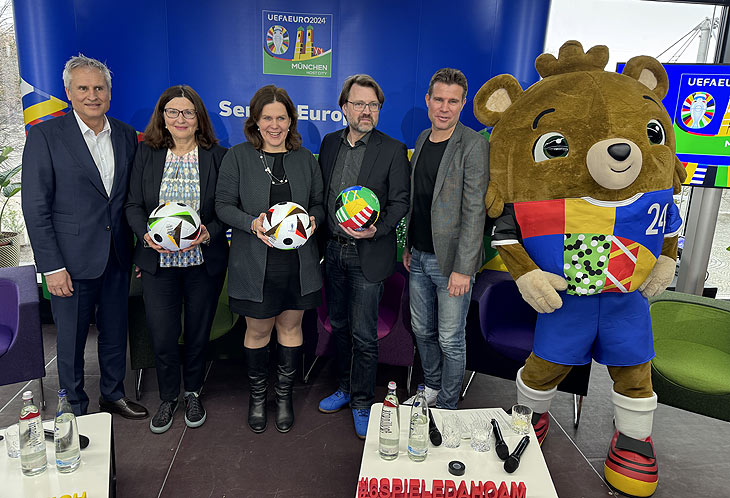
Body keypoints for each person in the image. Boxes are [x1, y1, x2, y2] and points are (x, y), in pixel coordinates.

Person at [21, 55, 147, 418]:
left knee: (113, 332)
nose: (92, 95)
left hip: (117, 256)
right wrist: (52, 266)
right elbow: (36, 207)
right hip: (69, 262)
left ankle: (112, 394)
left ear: (109, 92)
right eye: (83, 88)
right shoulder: (45, 136)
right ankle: (73, 407)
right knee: (72, 339)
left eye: (99, 88)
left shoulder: (124, 134)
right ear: (68, 92)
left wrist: (137, 253)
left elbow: (129, 201)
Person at [216, 85, 323, 434]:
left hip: (298, 265)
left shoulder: (306, 159)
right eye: (267, 118)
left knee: (290, 328)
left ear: (291, 120)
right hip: (254, 263)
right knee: (258, 330)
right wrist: (251, 223)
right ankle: (258, 397)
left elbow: (320, 203)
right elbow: (222, 206)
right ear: (256, 121)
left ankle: (285, 396)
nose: (274, 125)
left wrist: (313, 220)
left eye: (281, 117)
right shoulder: (238, 156)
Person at [125, 85, 228, 433]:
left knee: (198, 332)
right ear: (162, 117)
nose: (180, 119)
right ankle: (169, 397)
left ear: (199, 118)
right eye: (173, 112)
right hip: (158, 265)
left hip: (203, 263)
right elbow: (132, 205)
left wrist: (208, 232)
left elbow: (227, 209)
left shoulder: (218, 155)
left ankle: (193, 391)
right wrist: (147, 235)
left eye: (188, 112)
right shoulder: (146, 154)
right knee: (163, 334)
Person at [317, 74, 410, 438]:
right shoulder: (328, 144)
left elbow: (401, 200)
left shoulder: (392, 148)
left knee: (364, 334)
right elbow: (322, 196)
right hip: (333, 253)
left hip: (368, 255)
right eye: (359, 104)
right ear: (344, 108)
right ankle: (342, 387)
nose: (366, 111)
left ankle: (361, 401)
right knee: (338, 326)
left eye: (373, 105)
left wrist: (378, 228)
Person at [402, 68, 489, 410]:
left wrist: (464, 269)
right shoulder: (423, 138)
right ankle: (432, 389)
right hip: (420, 256)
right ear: (428, 100)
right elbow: (418, 198)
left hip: (452, 262)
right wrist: (409, 245)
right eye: (438, 99)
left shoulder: (473, 145)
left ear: (463, 104)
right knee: (422, 331)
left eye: (453, 101)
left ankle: (448, 404)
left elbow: (474, 211)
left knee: (451, 339)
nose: (444, 107)